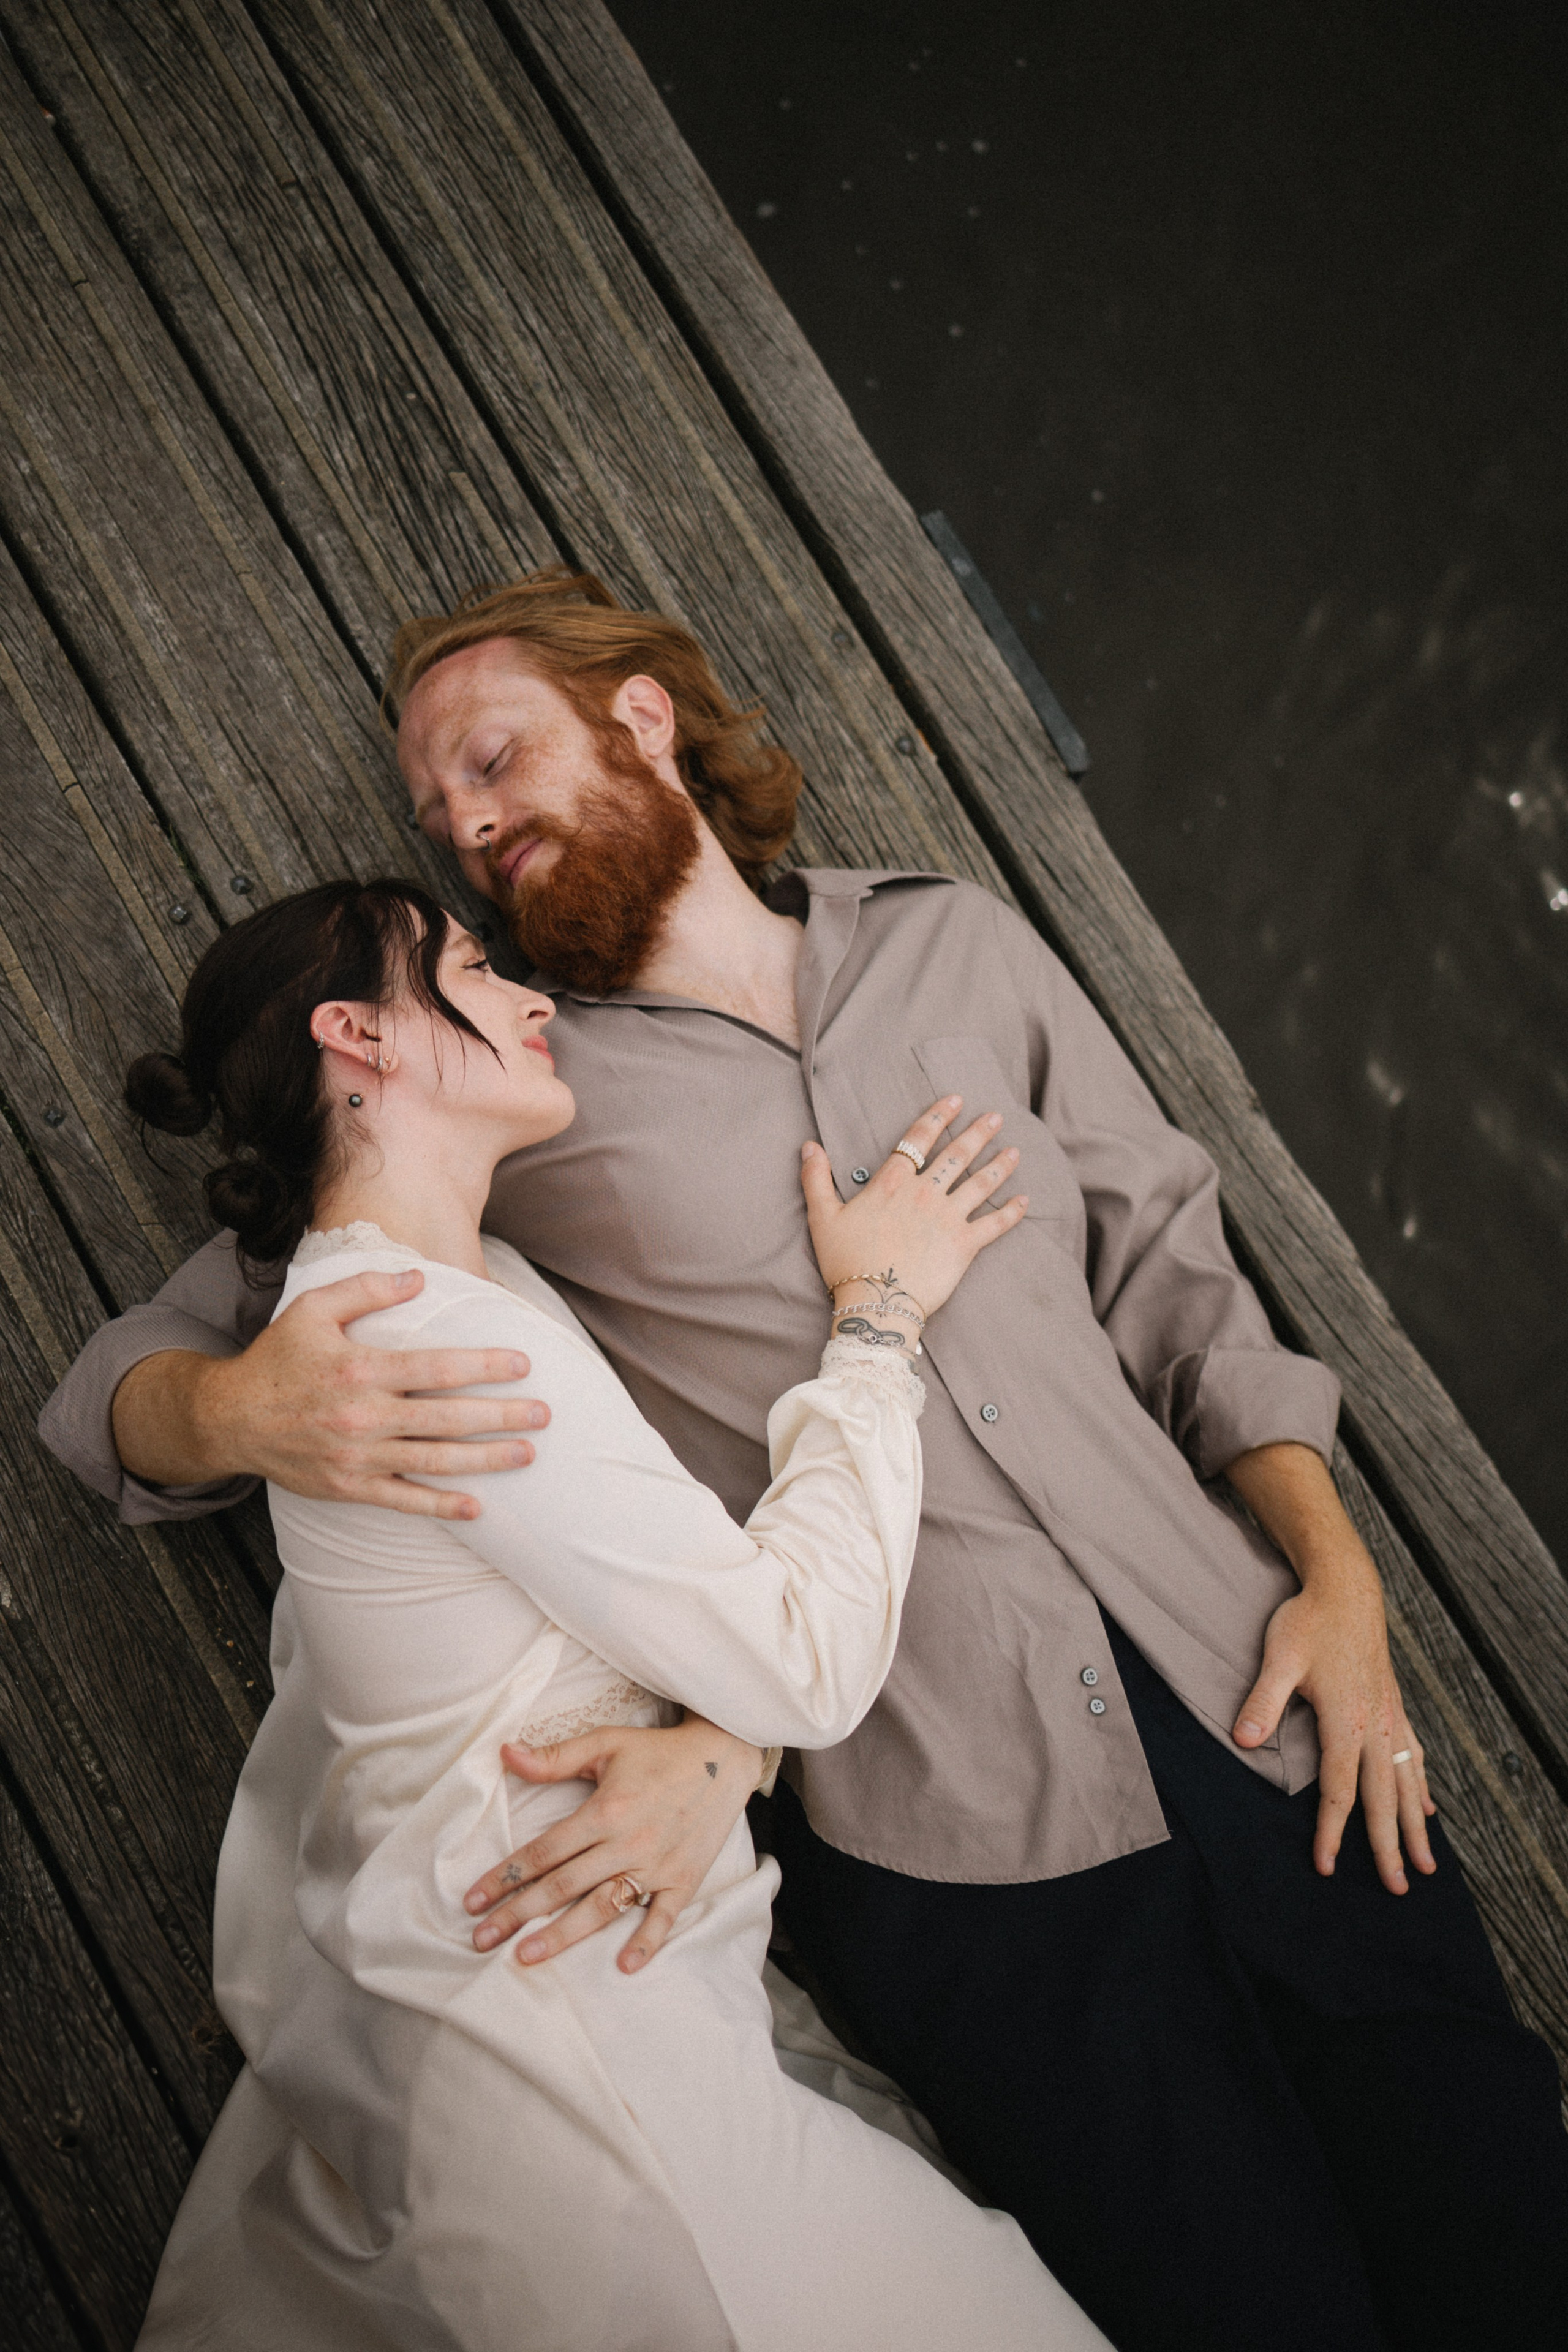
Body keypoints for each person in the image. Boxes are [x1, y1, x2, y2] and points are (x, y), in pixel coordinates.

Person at [46, 570, 1568, 2352]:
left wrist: (1344, 1575)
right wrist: (238, 1413)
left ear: (641, 721)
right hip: (966, 1862)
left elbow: (1179, 1277)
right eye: (437, 813)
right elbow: (120, 1387)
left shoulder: (961, 944)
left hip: (1269, 1708)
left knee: (1508, 2235)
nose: (464, 824)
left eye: (492, 758)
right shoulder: (506, 1102)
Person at [121, 873, 1102, 2350]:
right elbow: (801, 1656)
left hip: (603, 2015)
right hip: (589, 2090)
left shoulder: (450, 1284)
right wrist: (880, 1320)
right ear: (357, 1037)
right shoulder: (427, 1347)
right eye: (466, 967)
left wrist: (719, 1748)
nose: (529, 997)